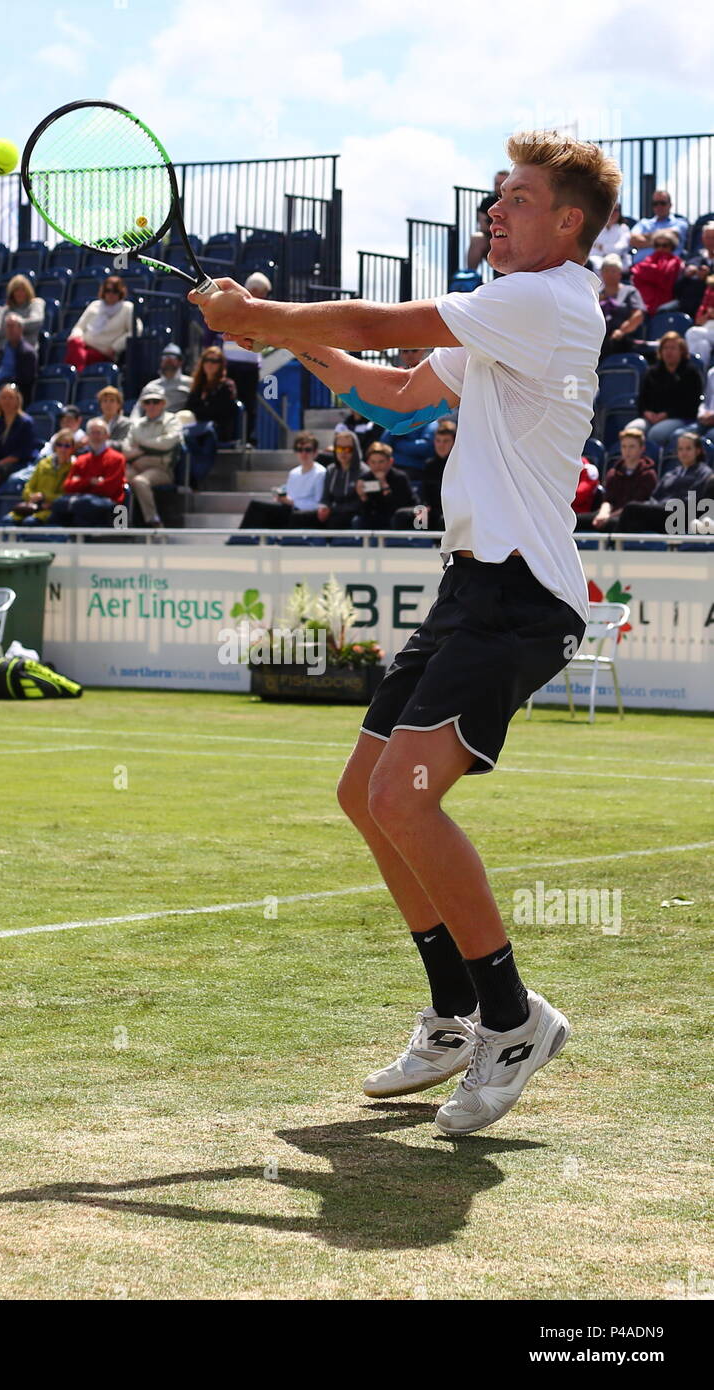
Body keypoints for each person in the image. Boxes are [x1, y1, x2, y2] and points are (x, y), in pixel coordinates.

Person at [191, 129, 622, 1134]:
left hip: (522, 596)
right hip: (468, 589)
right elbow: (383, 384)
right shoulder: (502, 316)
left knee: (403, 793)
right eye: (492, 199)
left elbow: (382, 316)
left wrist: (255, 312)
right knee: (364, 794)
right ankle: (452, 1012)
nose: (492, 213)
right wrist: (285, 339)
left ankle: (512, 1021)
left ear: (566, 222)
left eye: (514, 199)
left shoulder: (542, 298)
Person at [617, 431, 713, 533]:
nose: (684, 453)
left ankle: (613, 547)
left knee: (631, 509)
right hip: (662, 512)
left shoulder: (704, 473)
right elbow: (655, 497)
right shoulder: (671, 474)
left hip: (680, 515)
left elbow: (693, 500)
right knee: (616, 521)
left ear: (697, 451)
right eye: (680, 449)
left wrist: (665, 505)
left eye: (688, 449)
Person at [121, 384, 184, 526]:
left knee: (140, 482)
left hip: (161, 469)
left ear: (163, 403)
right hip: (135, 466)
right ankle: (120, 522)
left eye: (156, 402)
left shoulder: (172, 420)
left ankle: (153, 521)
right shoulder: (136, 424)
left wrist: (141, 446)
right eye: (147, 402)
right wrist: (152, 447)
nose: (151, 405)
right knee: (117, 480)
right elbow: (125, 450)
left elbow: (167, 443)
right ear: (143, 405)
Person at [574, 426, 657, 531]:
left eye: (632, 447)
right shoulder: (613, 473)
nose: (627, 451)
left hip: (632, 518)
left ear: (642, 449)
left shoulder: (649, 474)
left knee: (613, 524)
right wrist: (603, 514)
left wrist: (609, 517)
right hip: (609, 514)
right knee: (576, 521)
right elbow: (608, 500)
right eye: (624, 446)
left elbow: (637, 505)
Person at [637, 331, 703, 460]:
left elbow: (691, 404)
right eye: (665, 348)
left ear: (682, 351)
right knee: (633, 430)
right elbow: (642, 400)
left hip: (680, 417)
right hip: (652, 417)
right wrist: (646, 413)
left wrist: (666, 414)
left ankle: (652, 466)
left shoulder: (691, 373)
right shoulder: (652, 372)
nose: (669, 352)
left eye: (673, 348)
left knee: (656, 433)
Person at [220, 271, 271, 440]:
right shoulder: (235, 307)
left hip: (249, 367)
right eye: (263, 292)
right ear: (255, 290)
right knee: (229, 403)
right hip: (233, 365)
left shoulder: (262, 310)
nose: (264, 296)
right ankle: (230, 437)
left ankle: (247, 438)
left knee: (249, 404)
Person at [238, 432, 326, 529]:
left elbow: (319, 505)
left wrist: (292, 503)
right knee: (256, 506)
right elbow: (290, 496)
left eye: (308, 450)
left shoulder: (320, 473)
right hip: (291, 510)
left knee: (272, 512)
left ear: (315, 452)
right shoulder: (294, 472)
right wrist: (281, 498)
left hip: (304, 514)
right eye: (299, 450)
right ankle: (241, 537)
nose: (303, 453)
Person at [49, 417, 125, 528]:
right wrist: (90, 481)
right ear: (87, 436)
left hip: (109, 506)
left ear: (107, 436)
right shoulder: (81, 460)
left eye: (99, 433)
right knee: (58, 507)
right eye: (92, 433)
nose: (95, 437)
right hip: (82, 503)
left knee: (84, 506)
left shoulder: (117, 459)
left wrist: (80, 483)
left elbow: (109, 489)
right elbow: (68, 486)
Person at [183, 346, 239, 486]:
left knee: (207, 436)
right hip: (196, 428)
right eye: (207, 360)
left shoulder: (227, 385)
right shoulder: (197, 385)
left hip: (218, 429)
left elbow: (222, 411)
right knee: (182, 436)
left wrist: (203, 409)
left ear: (221, 364)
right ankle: (187, 476)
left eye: (215, 361)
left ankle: (197, 478)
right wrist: (205, 409)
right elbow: (190, 407)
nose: (210, 364)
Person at [391, 417, 456, 532]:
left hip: (452, 512)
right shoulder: (429, 465)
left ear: (454, 442)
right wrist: (424, 506)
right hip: (431, 511)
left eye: (446, 441)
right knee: (402, 516)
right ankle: (414, 547)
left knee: (443, 521)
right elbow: (424, 493)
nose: (441, 445)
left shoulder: (459, 464)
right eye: (438, 440)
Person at [3, 430, 76, 524]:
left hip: (53, 510)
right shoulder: (43, 464)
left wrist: (45, 497)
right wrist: (31, 496)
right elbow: (28, 488)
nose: (62, 449)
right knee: (7, 521)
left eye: (67, 446)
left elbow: (68, 496)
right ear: (55, 446)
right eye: (59, 444)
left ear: (72, 448)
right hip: (32, 506)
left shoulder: (74, 467)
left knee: (29, 522)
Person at [64, 274, 134, 371]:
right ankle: (77, 375)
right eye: (108, 291)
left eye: (115, 291)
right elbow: (79, 327)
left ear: (120, 293)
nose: (111, 294)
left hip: (104, 352)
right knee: (74, 343)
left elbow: (135, 331)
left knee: (77, 356)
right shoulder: (94, 305)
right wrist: (77, 337)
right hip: (83, 346)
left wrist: (115, 347)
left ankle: (75, 376)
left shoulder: (127, 308)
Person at [0, 383, 36, 485]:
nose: (7, 401)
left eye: (10, 397)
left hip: (18, 464)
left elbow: (23, 451)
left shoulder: (26, 422)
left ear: (17, 400)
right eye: (4, 397)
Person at [352, 442, 414, 528]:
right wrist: (363, 497)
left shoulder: (400, 478)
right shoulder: (364, 479)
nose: (377, 466)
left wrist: (384, 485)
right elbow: (363, 510)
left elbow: (400, 507)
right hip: (374, 519)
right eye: (373, 462)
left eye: (381, 462)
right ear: (368, 463)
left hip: (396, 519)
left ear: (390, 462)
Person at [317, 428, 370, 528]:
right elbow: (325, 498)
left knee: (338, 521)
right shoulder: (331, 470)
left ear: (355, 450)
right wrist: (324, 507)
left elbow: (363, 503)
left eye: (348, 449)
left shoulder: (365, 472)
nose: (343, 453)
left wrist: (334, 509)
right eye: (339, 449)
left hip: (354, 514)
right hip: (334, 512)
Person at [0, 314, 37, 405]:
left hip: (11, 394)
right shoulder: (1, 351)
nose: (10, 330)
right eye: (7, 326)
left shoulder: (28, 352)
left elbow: (25, 379)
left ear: (20, 329)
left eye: (12, 326)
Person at [129, 343, 194, 421]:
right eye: (165, 357)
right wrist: (134, 424)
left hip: (178, 426)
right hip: (151, 426)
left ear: (180, 361)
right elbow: (138, 409)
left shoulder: (190, 383)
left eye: (173, 357)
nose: (168, 359)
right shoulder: (150, 386)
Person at [598, 253, 644, 357]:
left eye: (613, 271)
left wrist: (622, 331)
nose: (609, 274)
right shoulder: (596, 294)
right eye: (606, 271)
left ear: (620, 273)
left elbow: (638, 315)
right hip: (599, 339)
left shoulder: (629, 291)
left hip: (623, 340)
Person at [630, 229, 683, 315]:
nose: (661, 248)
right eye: (658, 245)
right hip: (645, 297)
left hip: (663, 299)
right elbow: (637, 271)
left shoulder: (675, 261)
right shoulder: (651, 257)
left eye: (665, 245)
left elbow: (663, 275)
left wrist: (649, 273)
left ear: (671, 246)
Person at [629, 189, 688, 264]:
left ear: (670, 205)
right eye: (655, 203)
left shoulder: (680, 223)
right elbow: (632, 239)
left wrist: (645, 238)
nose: (659, 206)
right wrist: (662, 242)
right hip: (641, 269)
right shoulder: (644, 223)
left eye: (662, 203)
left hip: (668, 270)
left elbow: (671, 236)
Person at [466, 171, 508, 272]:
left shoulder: (517, 201)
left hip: (513, 241)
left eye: (502, 184)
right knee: (477, 239)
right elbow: (483, 226)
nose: (499, 187)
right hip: (492, 238)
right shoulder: (487, 201)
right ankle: (470, 276)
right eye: (496, 184)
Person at [674, 223, 714, 321]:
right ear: (702, 239)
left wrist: (707, 276)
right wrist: (686, 276)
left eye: (713, 237)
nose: (711, 241)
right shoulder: (693, 259)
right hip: (688, 306)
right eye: (707, 237)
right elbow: (677, 289)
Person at [0, 274, 45, 347]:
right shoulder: (6, 308)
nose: (20, 293)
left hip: (26, 350)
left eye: (23, 290)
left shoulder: (36, 303)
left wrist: (15, 325)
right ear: (12, 293)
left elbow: (36, 321)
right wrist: (13, 329)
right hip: (4, 351)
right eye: (16, 290)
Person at [587, 201, 632, 271]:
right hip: (596, 266)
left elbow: (619, 249)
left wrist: (601, 247)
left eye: (616, 210)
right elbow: (591, 252)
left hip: (617, 266)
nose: (612, 213)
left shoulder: (624, 228)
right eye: (610, 210)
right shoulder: (595, 228)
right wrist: (607, 249)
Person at [685, 272, 714, 372]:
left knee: (692, 332)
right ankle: (700, 375)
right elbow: (699, 320)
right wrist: (708, 315)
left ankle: (689, 371)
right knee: (703, 344)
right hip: (707, 331)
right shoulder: (710, 289)